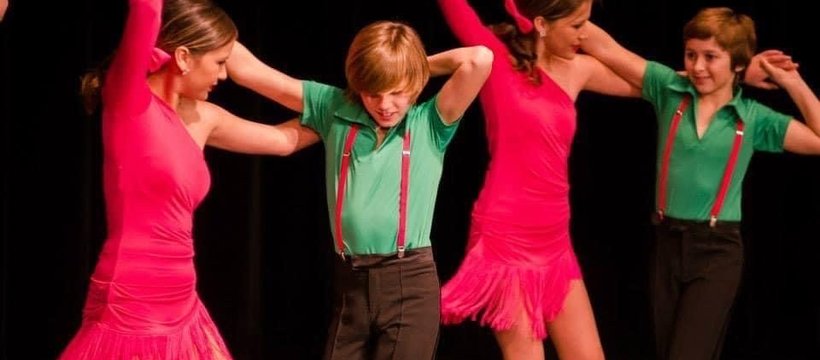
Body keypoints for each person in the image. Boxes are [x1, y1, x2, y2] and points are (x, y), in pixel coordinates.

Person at [60, 0, 317, 358]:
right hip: (132, 301)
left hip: (181, 298)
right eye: (220, 62)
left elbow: (284, 141)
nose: (226, 75)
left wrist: (348, 111)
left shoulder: (201, 118)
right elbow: (147, 10)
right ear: (183, 57)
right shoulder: (129, 102)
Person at [226, 20, 492, 359]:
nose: (385, 104)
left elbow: (480, 59)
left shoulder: (429, 123)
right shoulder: (334, 108)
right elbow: (250, 72)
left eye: (397, 92)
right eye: (373, 92)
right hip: (350, 284)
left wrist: (406, 66)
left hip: (409, 283)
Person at [579, 7, 820, 360]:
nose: (698, 66)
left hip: (716, 250)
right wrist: (562, 12)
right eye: (691, 55)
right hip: (666, 242)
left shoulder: (752, 118)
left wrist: (790, 81)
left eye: (711, 57)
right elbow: (608, 50)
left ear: (738, 63)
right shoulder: (670, 90)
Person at [434, 0, 652, 358]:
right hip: (504, 237)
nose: (585, 34)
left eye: (588, 24)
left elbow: (653, 85)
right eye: (577, 25)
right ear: (542, 24)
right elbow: (455, 8)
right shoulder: (497, 62)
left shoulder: (576, 70)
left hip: (554, 242)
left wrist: (734, 74)